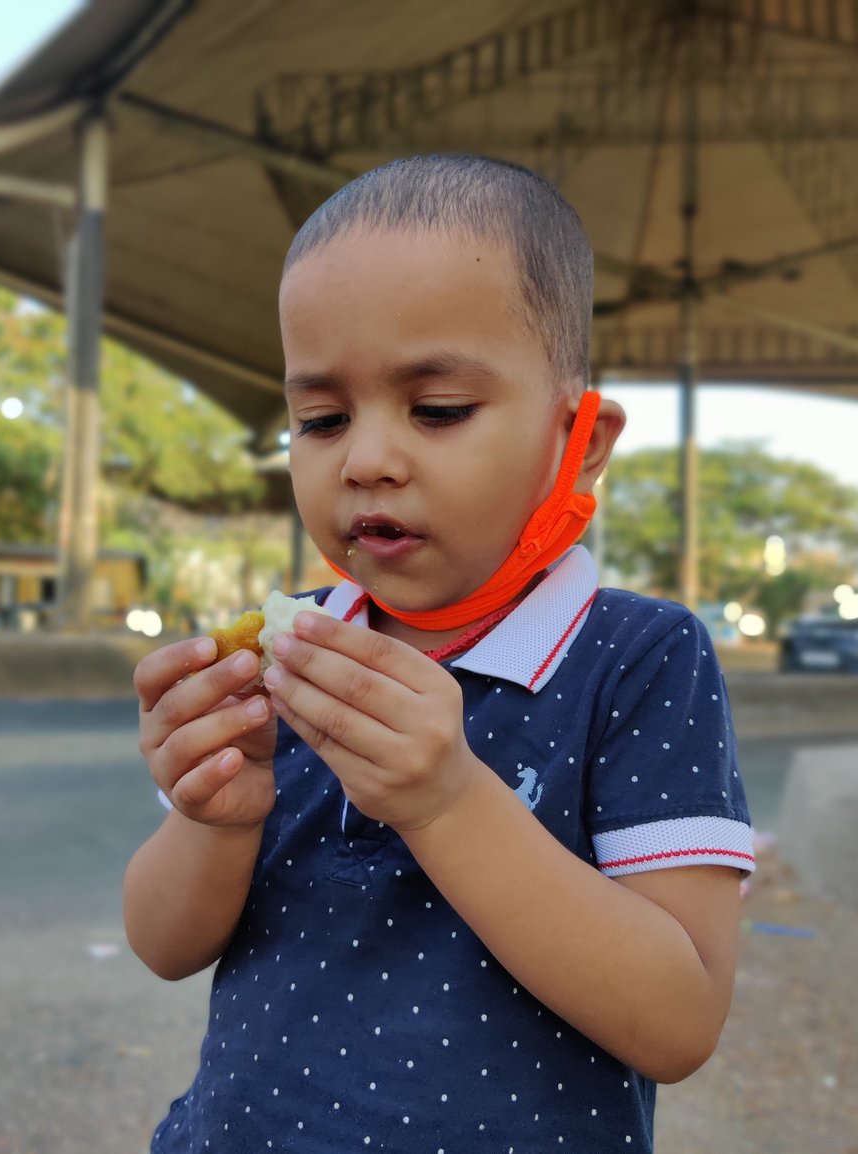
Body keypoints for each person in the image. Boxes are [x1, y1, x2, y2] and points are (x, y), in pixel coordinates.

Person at [124, 155, 754, 1152]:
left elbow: (678, 1019)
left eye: (439, 408)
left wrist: (447, 799)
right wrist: (213, 815)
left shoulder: (636, 659)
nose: (367, 457)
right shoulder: (291, 662)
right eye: (321, 418)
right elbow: (164, 944)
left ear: (580, 440)